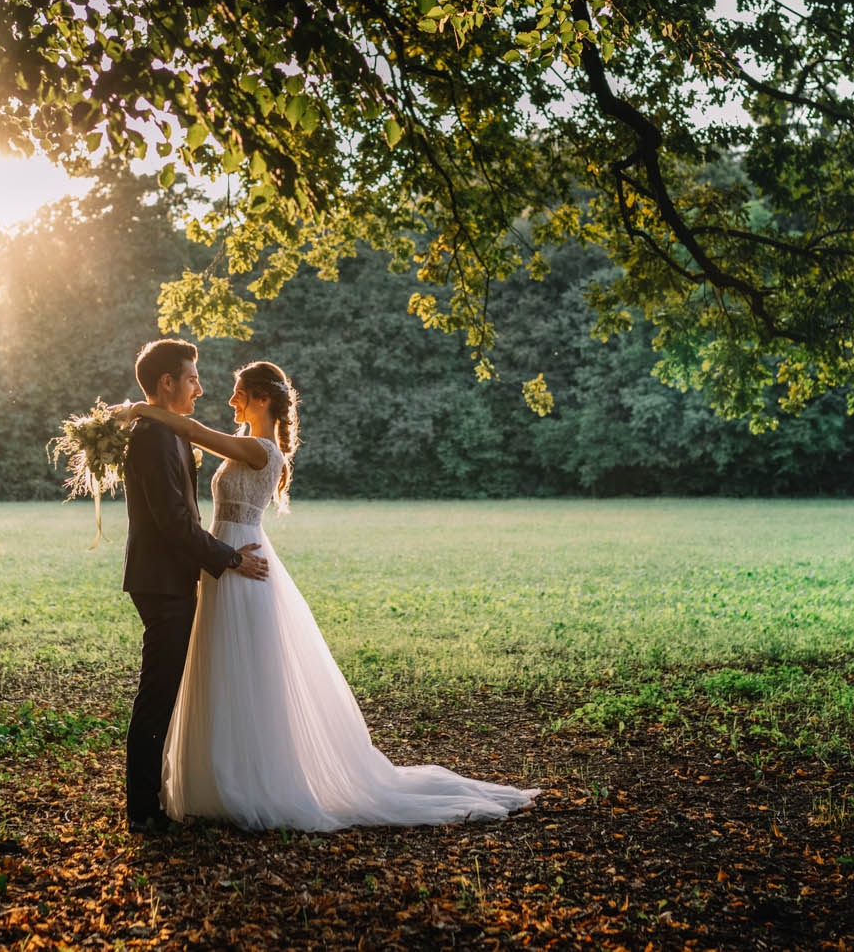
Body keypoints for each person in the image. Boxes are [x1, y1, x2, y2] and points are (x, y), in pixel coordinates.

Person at [113, 360, 538, 831]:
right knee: (222, 668)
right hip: (224, 560)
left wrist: (138, 410)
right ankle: (219, 776)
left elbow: (193, 431)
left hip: (241, 560)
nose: (229, 399)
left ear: (263, 399)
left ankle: (254, 780)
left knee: (245, 669)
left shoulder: (261, 450)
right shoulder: (246, 445)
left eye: (239, 393)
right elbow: (189, 439)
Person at [120, 339, 270, 836]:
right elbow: (174, 522)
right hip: (161, 580)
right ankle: (143, 810)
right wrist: (230, 558)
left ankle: (154, 797)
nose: (199, 389)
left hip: (169, 575)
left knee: (165, 688)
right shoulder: (153, 437)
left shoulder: (168, 432)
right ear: (167, 383)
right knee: (158, 691)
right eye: (191, 379)